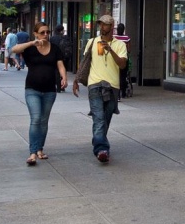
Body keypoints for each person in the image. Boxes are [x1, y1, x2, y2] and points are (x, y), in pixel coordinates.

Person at [73, 15, 128, 163]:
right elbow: (85, 63)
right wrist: (77, 79)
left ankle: (98, 141)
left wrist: (110, 50)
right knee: (98, 118)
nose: (102, 27)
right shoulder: (92, 42)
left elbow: (122, 65)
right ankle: (102, 149)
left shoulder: (119, 45)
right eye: (101, 25)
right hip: (95, 84)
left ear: (112, 26)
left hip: (112, 86)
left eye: (105, 25)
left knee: (106, 119)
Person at [13, 22, 67, 166]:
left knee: (43, 121)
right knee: (36, 118)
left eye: (47, 32)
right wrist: (32, 43)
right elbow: (14, 49)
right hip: (32, 89)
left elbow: (60, 64)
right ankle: (32, 152)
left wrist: (64, 77)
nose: (45, 35)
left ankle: (40, 149)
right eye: (42, 32)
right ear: (36, 33)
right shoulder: (30, 48)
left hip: (49, 90)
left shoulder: (54, 48)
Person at [113, 23, 131, 101]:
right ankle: (123, 93)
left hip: (115, 59)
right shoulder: (126, 38)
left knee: (116, 76)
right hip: (124, 59)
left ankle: (116, 93)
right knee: (123, 76)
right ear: (124, 29)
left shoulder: (114, 37)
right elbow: (129, 50)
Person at [50, 24, 70, 92]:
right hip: (64, 56)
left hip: (55, 56)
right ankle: (62, 86)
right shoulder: (65, 37)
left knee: (56, 72)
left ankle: (58, 87)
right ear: (62, 30)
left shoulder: (52, 38)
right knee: (63, 70)